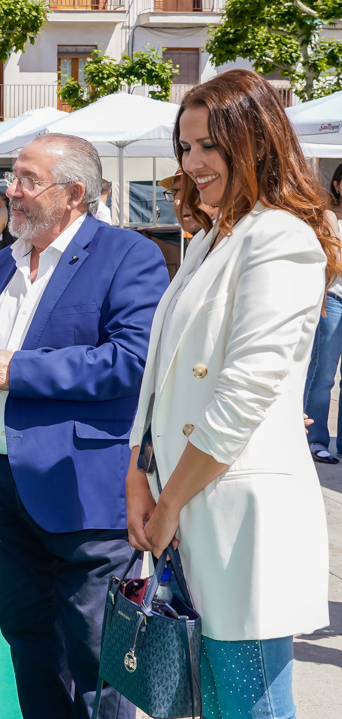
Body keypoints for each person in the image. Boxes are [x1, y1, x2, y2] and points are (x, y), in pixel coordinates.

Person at [126, 70, 333, 717]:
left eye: (209, 146)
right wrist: (138, 470)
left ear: (255, 141)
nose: (193, 163)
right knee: (212, 704)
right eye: (185, 147)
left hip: (238, 515)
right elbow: (161, 371)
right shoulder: (214, 238)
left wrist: (168, 502)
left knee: (249, 705)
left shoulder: (281, 237)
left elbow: (243, 392)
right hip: (187, 502)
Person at [0, 133, 168, 719]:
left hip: (84, 489)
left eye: (27, 180)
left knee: (96, 658)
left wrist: (19, 369)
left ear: (73, 194)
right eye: (11, 178)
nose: (11, 192)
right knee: (28, 642)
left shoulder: (127, 255)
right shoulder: (1, 264)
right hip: (7, 484)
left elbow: (133, 359)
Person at [303, 161, 342, 464]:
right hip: (333, 299)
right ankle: (316, 440)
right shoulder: (328, 216)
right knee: (323, 374)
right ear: (337, 185)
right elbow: (332, 259)